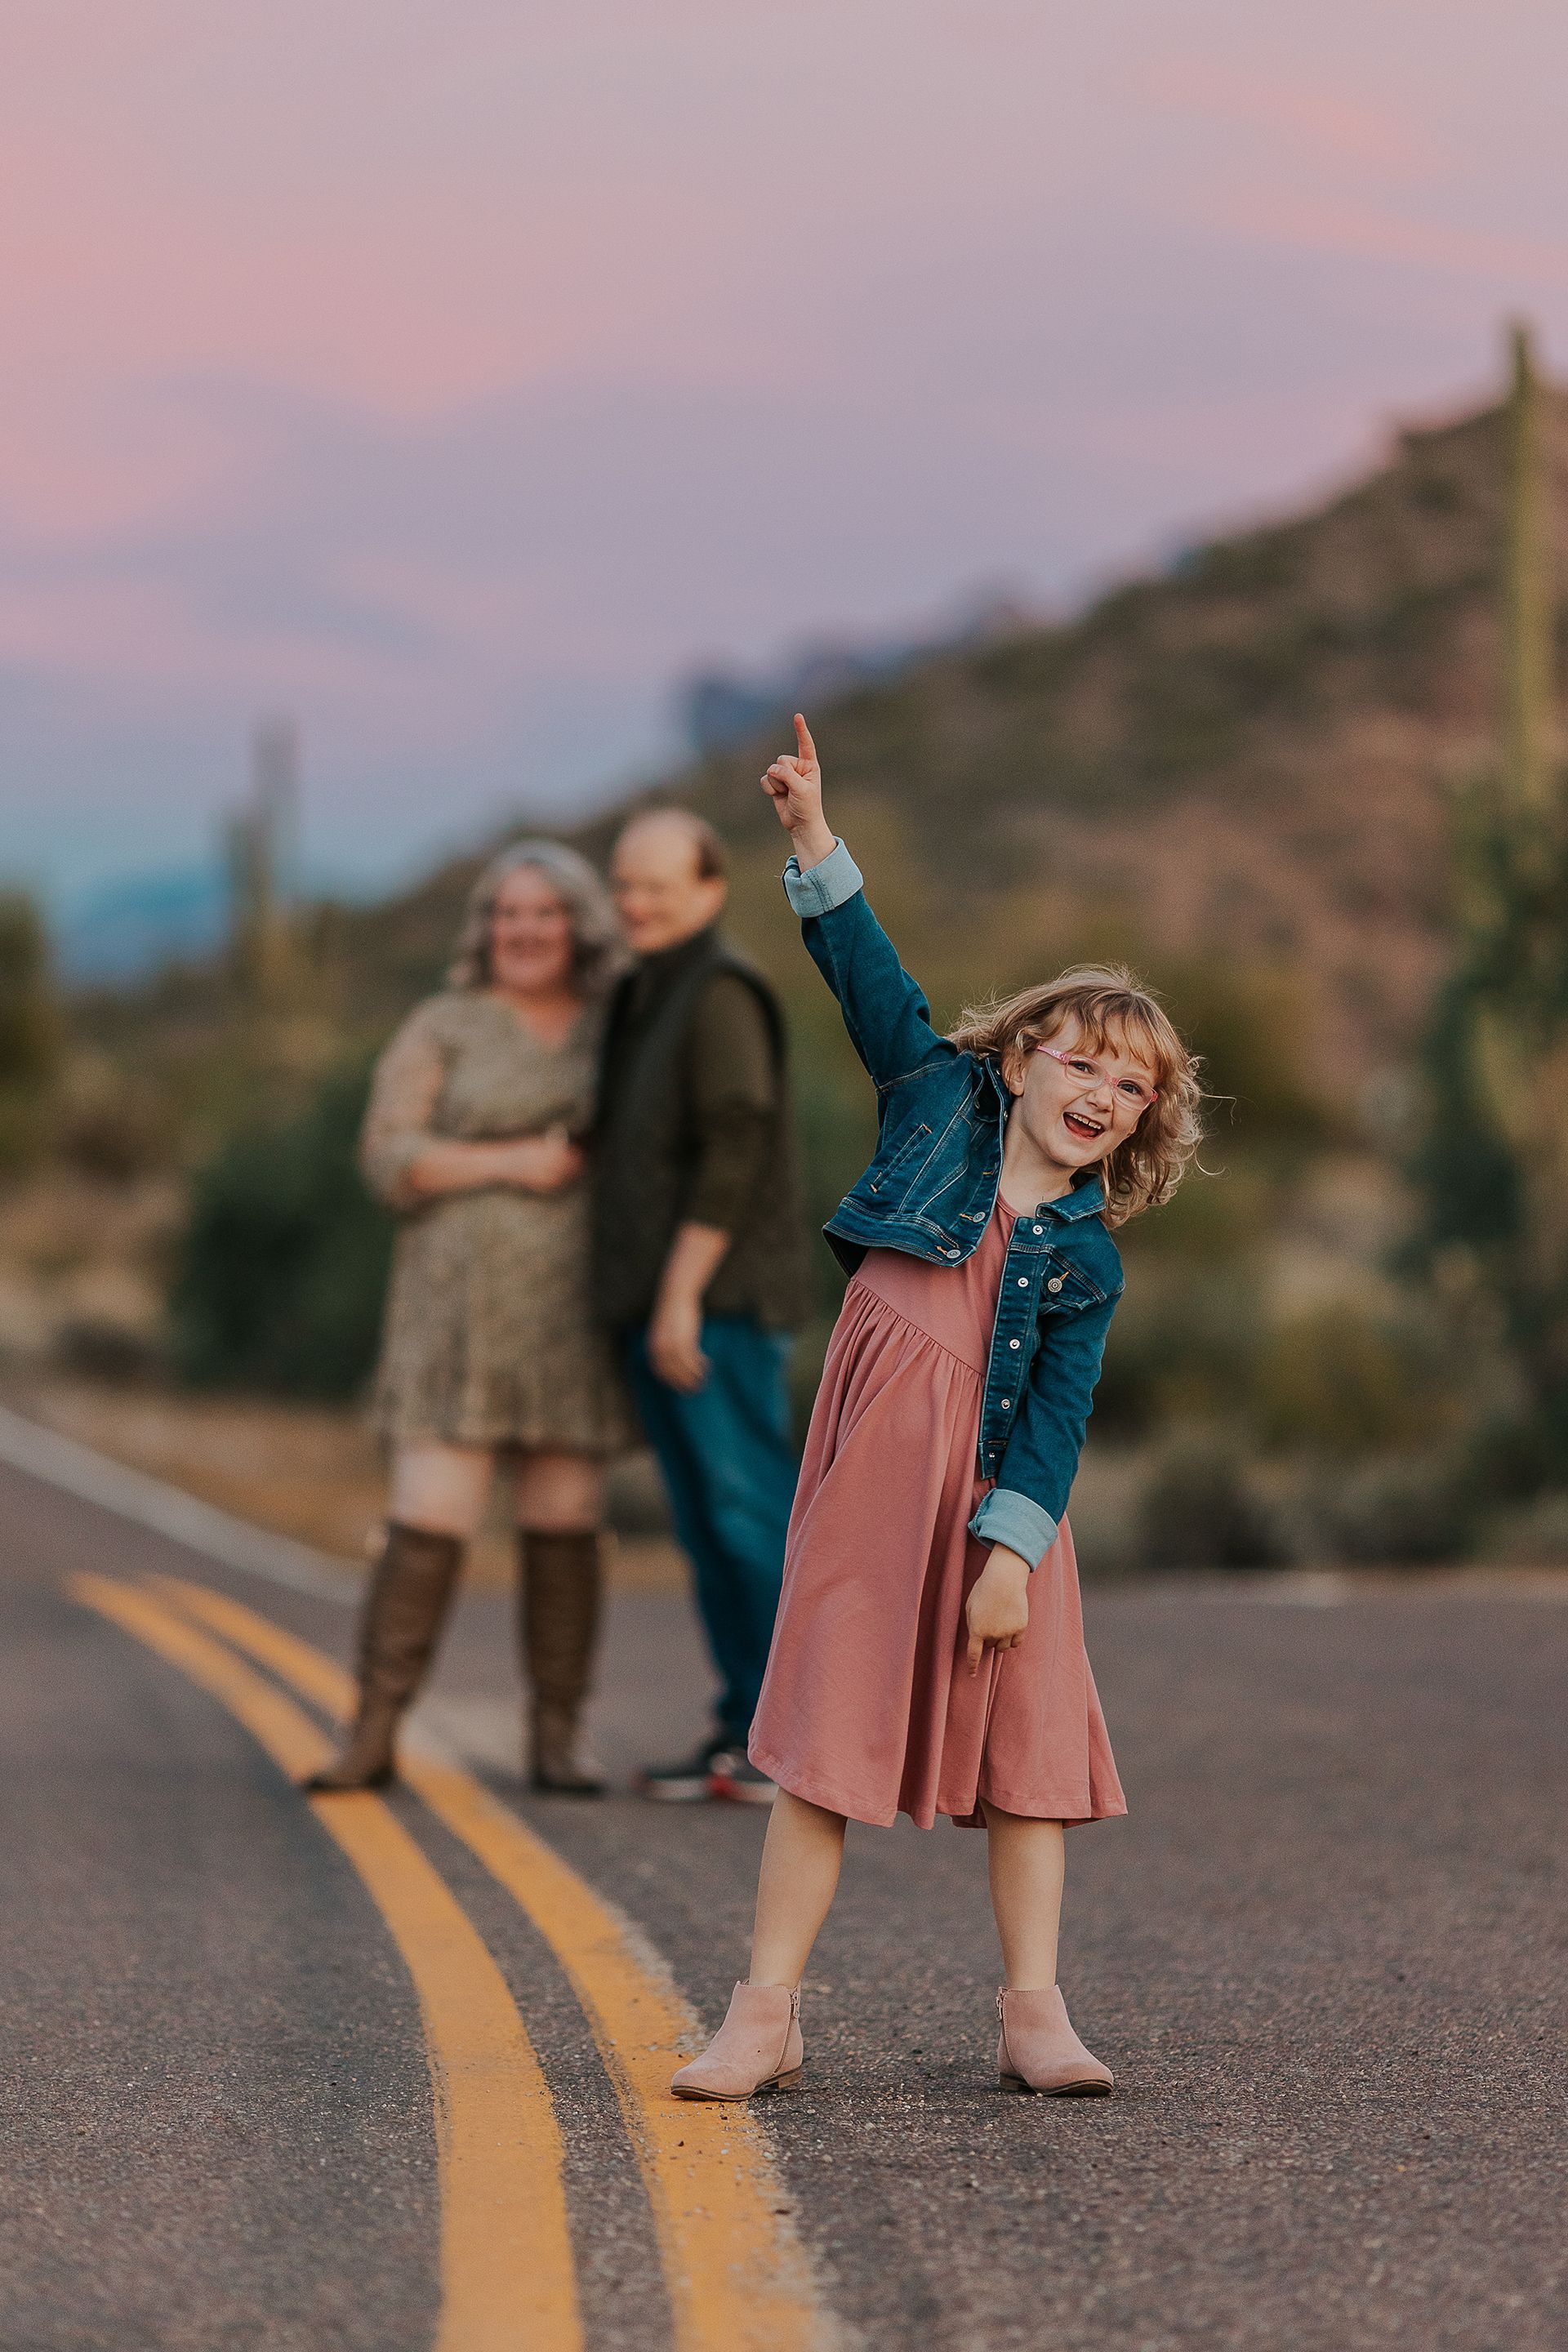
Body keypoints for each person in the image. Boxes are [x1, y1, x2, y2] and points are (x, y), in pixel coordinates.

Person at [670, 718, 1203, 2102]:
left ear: (1142, 1123)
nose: (1100, 1093)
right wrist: (807, 835)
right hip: (872, 1488)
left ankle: (1037, 2016)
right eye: (1082, 1060)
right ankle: (764, 2016)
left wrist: (1011, 1557)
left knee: (1028, 1765)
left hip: (1001, 1520)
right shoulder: (931, 1106)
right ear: (1019, 1057)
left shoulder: (1086, 1256)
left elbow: (1062, 1416)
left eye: (1130, 1087)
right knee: (824, 1749)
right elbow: (867, 976)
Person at [305, 842, 635, 1799]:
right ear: (483, 928)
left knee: (565, 1524)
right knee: (427, 1519)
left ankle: (559, 1735)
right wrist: (510, 1163)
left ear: (578, 925)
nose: (523, 931)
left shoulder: (616, 1023)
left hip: (574, 1315)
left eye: (543, 914)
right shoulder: (440, 1023)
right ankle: (373, 1730)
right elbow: (388, 1156)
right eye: (506, 914)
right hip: (453, 1318)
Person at [593, 808, 810, 1803]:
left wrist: (679, 1295)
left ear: (711, 891)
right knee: (705, 1524)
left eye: (658, 888)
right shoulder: (646, 991)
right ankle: (742, 1731)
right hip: (665, 1308)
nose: (635, 903)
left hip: (715, 1308)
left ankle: (787, 1745)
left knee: (744, 1514)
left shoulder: (719, 994)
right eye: (625, 886)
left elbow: (739, 1141)